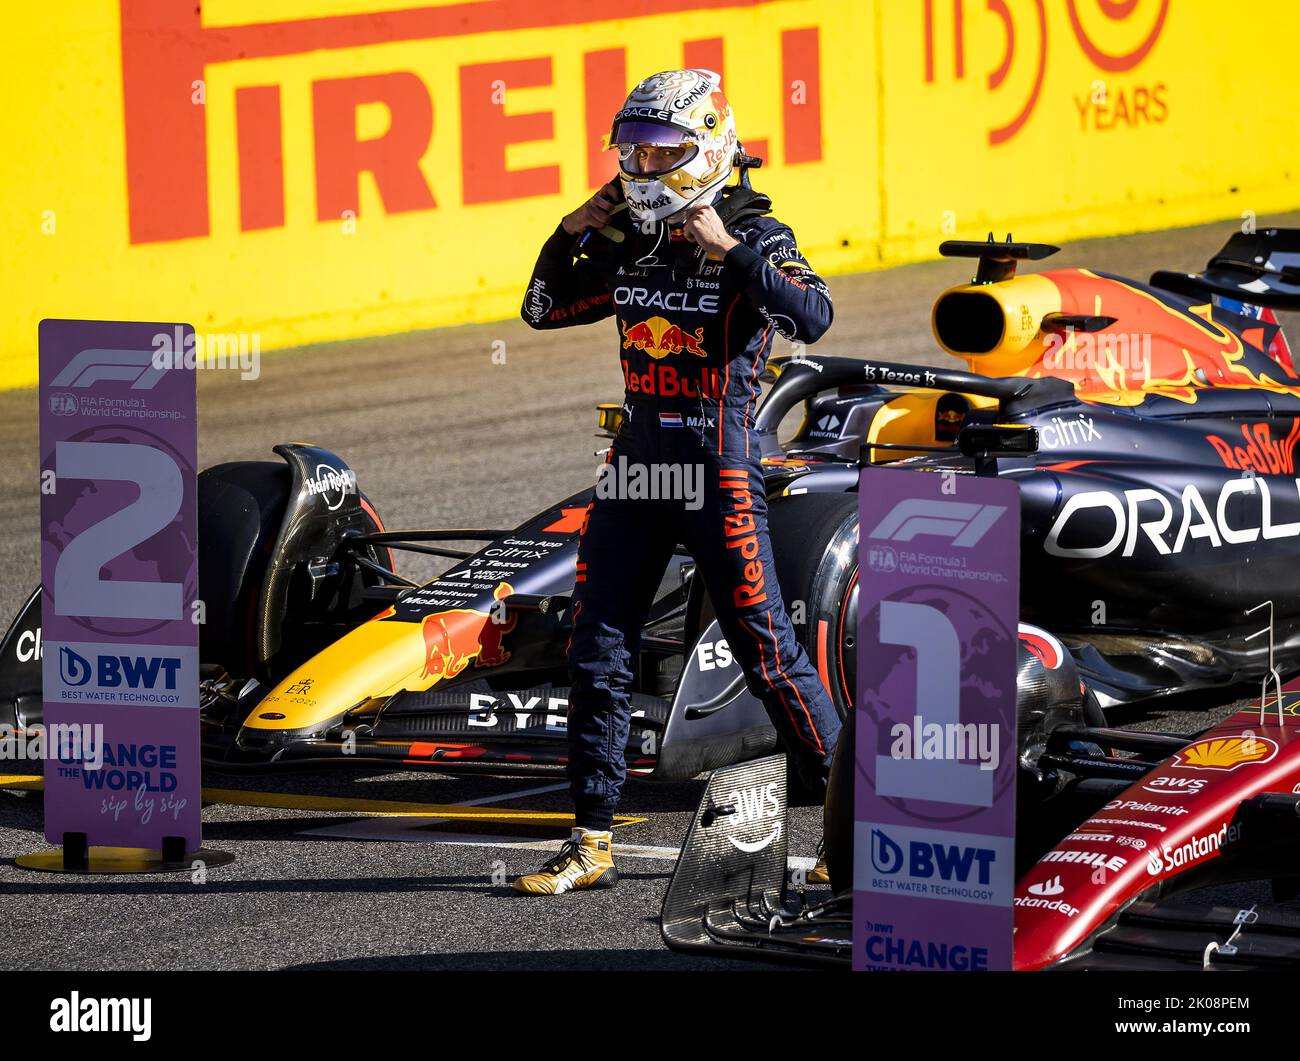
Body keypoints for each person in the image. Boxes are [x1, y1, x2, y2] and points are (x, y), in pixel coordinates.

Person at [514, 68, 840, 894]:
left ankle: (856, 827)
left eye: (660, 148)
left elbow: (813, 314)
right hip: (636, 463)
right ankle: (590, 841)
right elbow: (542, 308)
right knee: (597, 645)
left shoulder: (754, 226)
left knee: (766, 650)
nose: (641, 163)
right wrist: (570, 226)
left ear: (707, 145)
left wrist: (728, 251)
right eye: (632, 147)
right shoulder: (625, 232)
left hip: (719, 464)